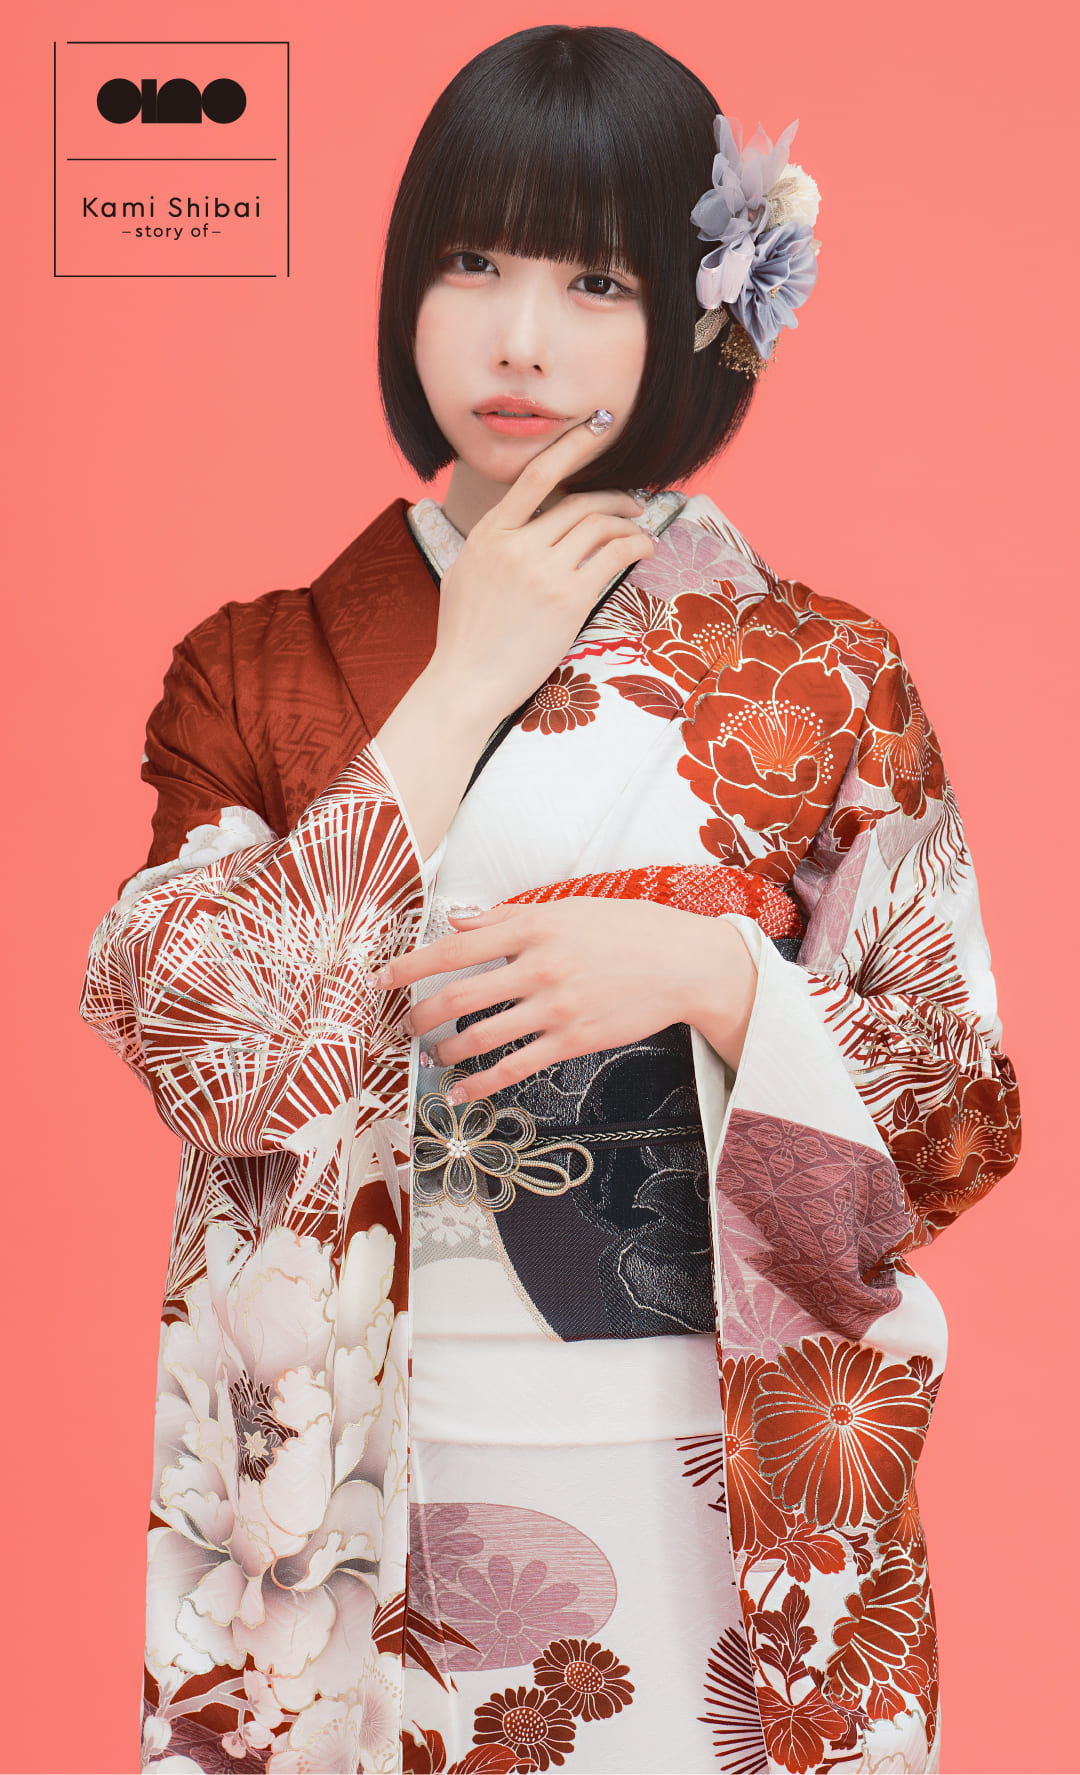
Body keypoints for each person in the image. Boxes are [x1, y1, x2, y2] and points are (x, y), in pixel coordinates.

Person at [80, 24, 1021, 1775]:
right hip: (349, 1473)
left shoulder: (822, 671)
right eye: (471, 263)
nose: (519, 338)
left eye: (595, 280)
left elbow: (957, 1116)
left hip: (699, 1466)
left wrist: (722, 981)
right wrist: (455, 688)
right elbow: (201, 1046)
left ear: (698, 312)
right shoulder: (262, 667)